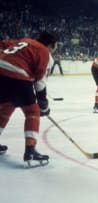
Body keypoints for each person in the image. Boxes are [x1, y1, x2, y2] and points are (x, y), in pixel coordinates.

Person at [0, 31, 58, 163]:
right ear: (51, 44)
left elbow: (2, 44)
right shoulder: (44, 51)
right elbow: (40, 81)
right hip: (16, 76)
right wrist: (43, 105)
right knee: (33, 111)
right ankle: (31, 151)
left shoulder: (24, 41)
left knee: (6, 107)